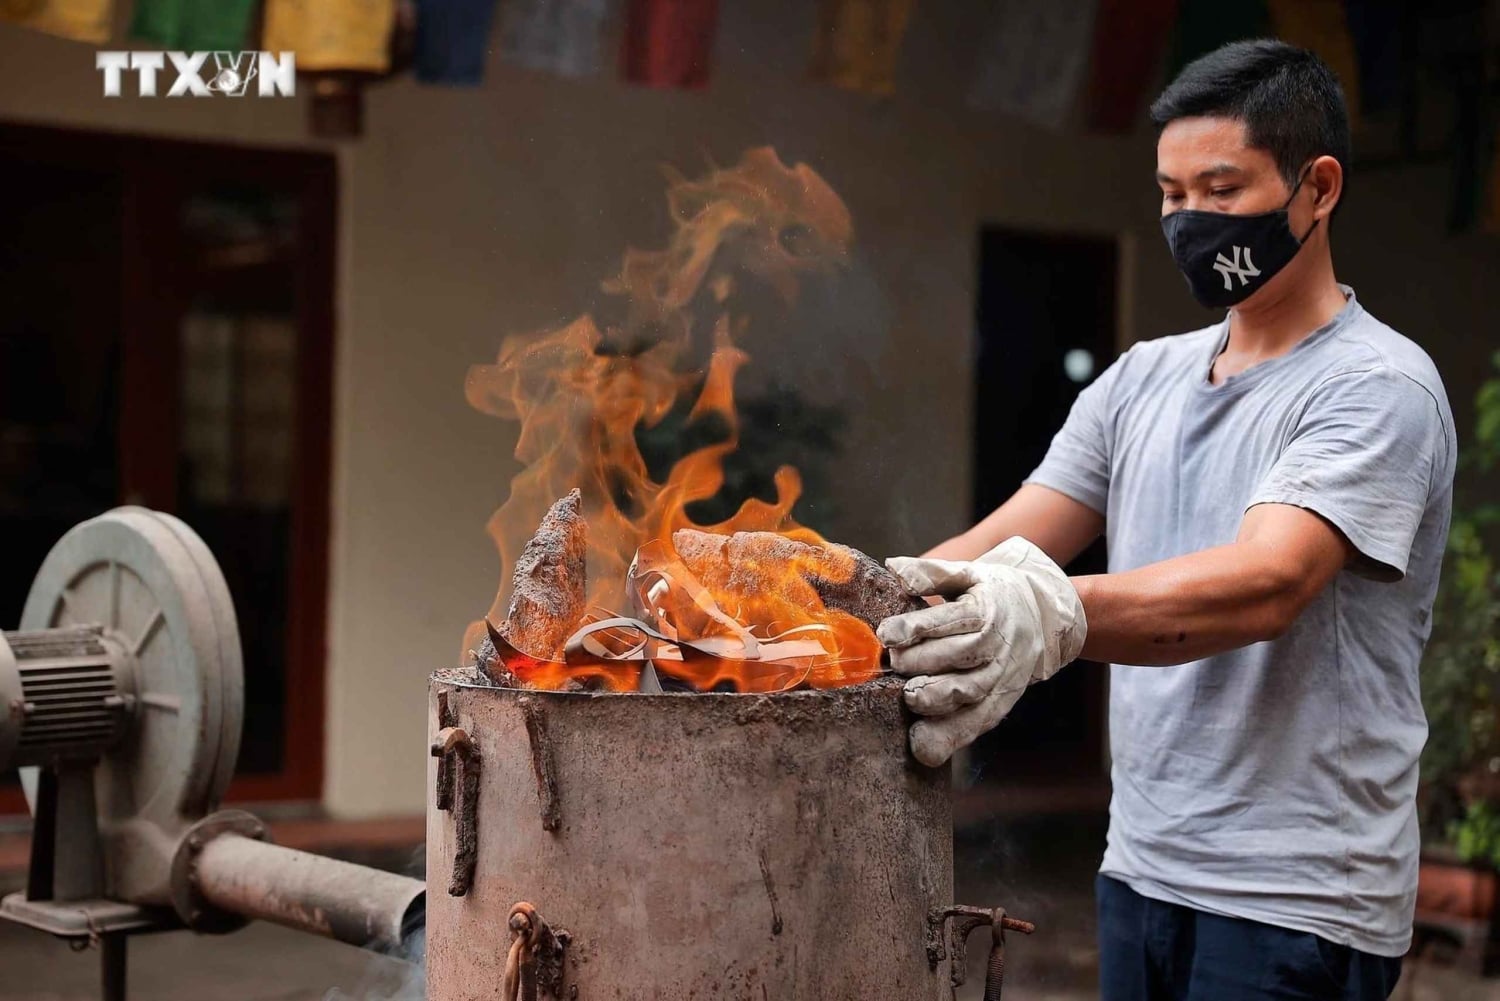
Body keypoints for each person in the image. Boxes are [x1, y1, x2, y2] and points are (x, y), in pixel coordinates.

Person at [878, 39, 1455, 1001]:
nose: (1190, 221)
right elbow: (1012, 538)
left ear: (1317, 189)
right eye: (1171, 194)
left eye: (1221, 191)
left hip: (1297, 893)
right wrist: (857, 602)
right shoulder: (1141, 378)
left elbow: (1267, 583)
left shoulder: (1376, 386)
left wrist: (1046, 613)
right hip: (1142, 865)